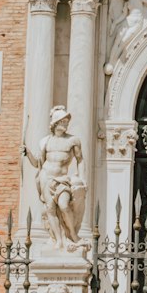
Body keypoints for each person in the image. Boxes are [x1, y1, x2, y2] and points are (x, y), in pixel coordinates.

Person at [23, 106, 87, 249]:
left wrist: (82, 179)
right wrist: (28, 154)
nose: (66, 123)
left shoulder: (73, 140)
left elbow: (80, 160)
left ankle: (73, 235)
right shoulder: (45, 142)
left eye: (66, 121)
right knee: (50, 209)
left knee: (64, 205)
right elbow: (38, 164)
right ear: (55, 123)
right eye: (63, 121)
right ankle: (58, 240)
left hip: (62, 179)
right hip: (46, 177)